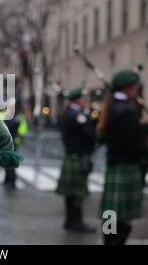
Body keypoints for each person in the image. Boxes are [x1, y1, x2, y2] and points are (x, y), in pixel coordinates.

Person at [97, 69, 148, 245]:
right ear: (129, 87)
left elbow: (122, 135)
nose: (137, 90)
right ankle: (116, 243)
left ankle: (109, 242)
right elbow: (132, 144)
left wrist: (146, 136)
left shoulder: (113, 106)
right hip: (126, 165)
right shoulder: (127, 109)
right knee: (124, 217)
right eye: (136, 86)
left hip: (115, 164)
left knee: (111, 213)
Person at [56, 87, 96, 233]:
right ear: (78, 100)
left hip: (71, 156)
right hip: (78, 156)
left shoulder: (67, 113)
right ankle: (76, 222)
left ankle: (69, 220)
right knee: (78, 193)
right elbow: (90, 135)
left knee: (71, 194)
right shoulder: (77, 115)